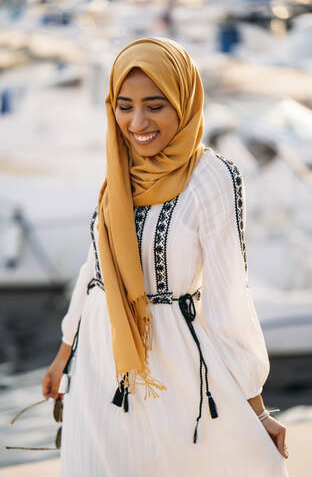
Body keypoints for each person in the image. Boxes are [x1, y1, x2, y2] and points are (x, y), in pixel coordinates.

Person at [42, 37, 290, 476]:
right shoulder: (119, 170)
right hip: (101, 362)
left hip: (177, 362)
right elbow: (95, 269)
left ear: (184, 100)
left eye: (155, 105)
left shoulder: (213, 177)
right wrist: (64, 353)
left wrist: (255, 408)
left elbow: (228, 297)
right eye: (125, 105)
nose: (137, 122)